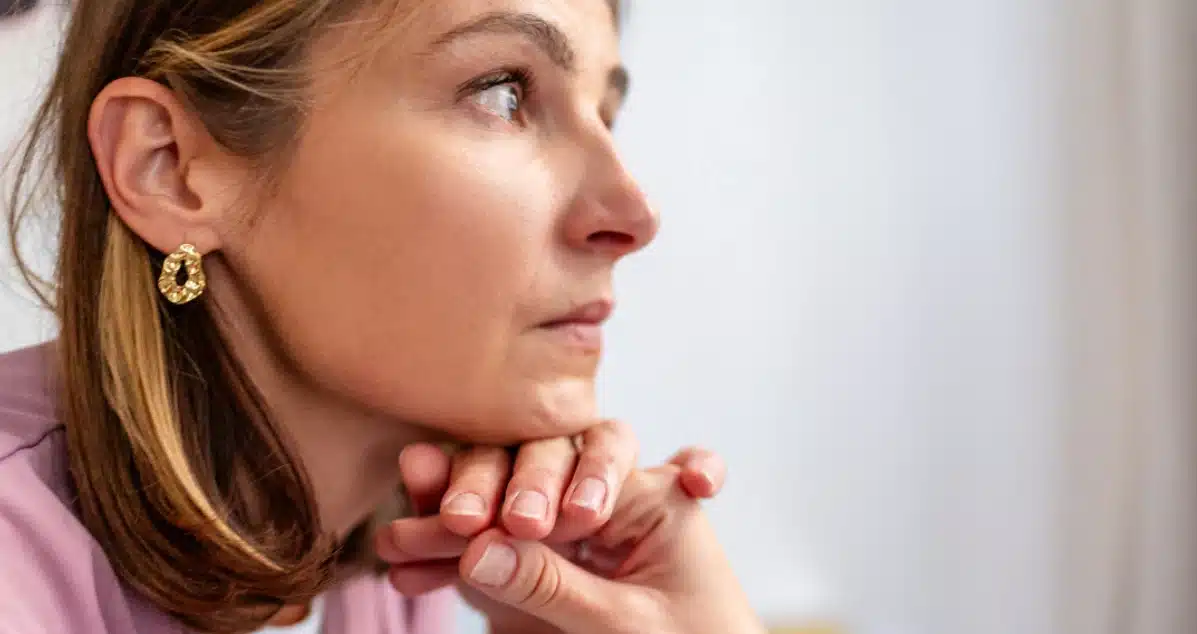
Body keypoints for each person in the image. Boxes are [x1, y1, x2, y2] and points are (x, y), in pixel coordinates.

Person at [0, 0, 766, 633]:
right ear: (168, 168)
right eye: (503, 94)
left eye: (605, 115)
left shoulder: (401, 548)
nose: (634, 215)